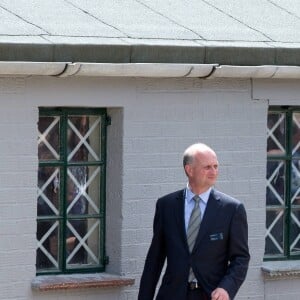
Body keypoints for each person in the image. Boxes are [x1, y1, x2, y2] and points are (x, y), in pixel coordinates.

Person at [138, 143, 250, 300]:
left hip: (210, 295)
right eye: (207, 167)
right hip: (172, 295)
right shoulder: (166, 205)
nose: (214, 172)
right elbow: (154, 259)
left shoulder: (232, 209)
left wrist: (226, 288)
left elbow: (241, 258)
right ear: (189, 170)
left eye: (216, 166)